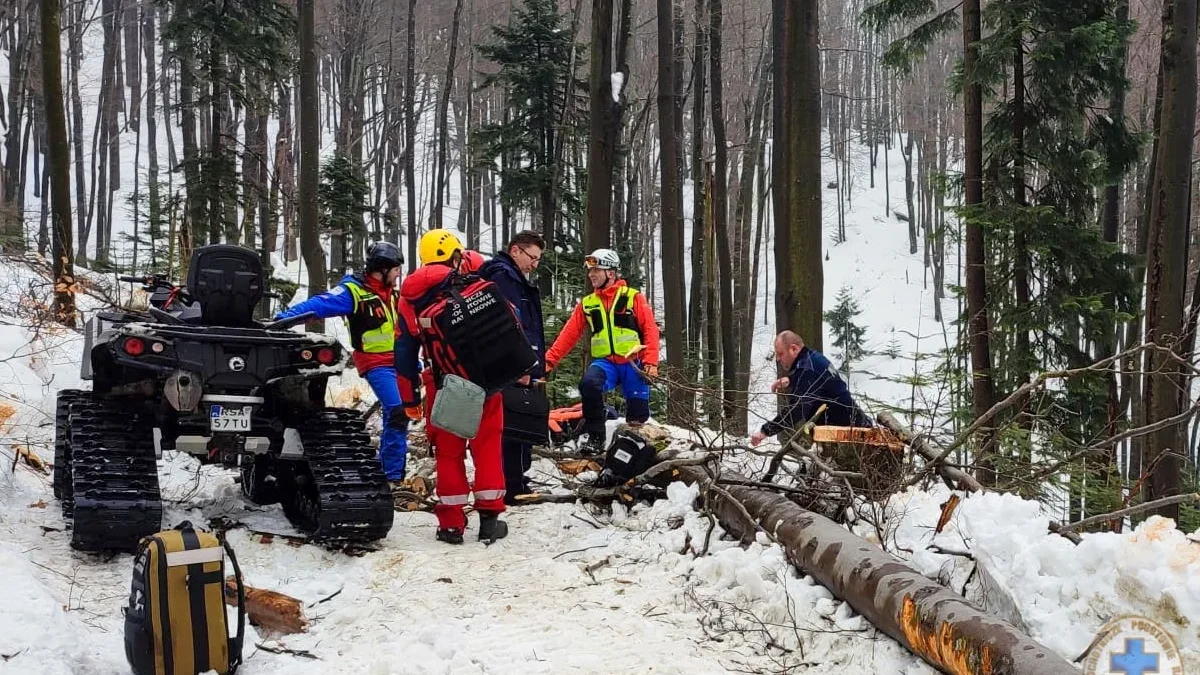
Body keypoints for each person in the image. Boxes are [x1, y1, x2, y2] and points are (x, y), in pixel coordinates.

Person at [395, 229, 510, 544]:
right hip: (484, 381)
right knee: (487, 447)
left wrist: (409, 400)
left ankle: (450, 526)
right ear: (455, 256)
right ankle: (489, 520)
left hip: (442, 382)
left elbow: (404, 355)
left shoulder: (410, 300)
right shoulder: (472, 284)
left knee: (448, 453)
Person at [273, 241, 412, 487]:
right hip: (376, 363)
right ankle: (390, 477)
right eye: (395, 268)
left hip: (398, 362)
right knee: (397, 412)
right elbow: (319, 304)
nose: (399, 273)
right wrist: (284, 319)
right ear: (381, 269)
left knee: (400, 413)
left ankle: (392, 473)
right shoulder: (352, 292)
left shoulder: (392, 293)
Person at [544, 248, 660, 454]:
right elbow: (568, 335)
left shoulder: (633, 298)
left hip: (635, 364)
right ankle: (595, 438)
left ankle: (632, 454)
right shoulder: (588, 304)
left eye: (596, 270)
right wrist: (549, 361)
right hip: (606, 364)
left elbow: (651, 330)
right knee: (588, 385)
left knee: (637, 417)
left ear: (611, 273)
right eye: (590, 270)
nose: (591, 274)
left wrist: (651, 363)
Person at [478, 231, 546, 504]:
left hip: (511, 361)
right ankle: (512, 482)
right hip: (512, 363)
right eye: (532, 257)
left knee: (513, 421)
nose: (534, 264)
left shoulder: (507, 275)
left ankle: (514, 479)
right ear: (515, 250)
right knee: (516, 421)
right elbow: (510, 322)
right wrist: (522, 363)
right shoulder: (504, 277)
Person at [750, 330, 872, 446]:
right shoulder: (813, 358)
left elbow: (797, 409)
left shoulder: (807, 369)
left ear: (794, 349)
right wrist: (792, 380)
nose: (777, 359)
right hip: (852, 428)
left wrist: (765, 431)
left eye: (780, 353)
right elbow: (819, 383)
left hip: (850, 437)